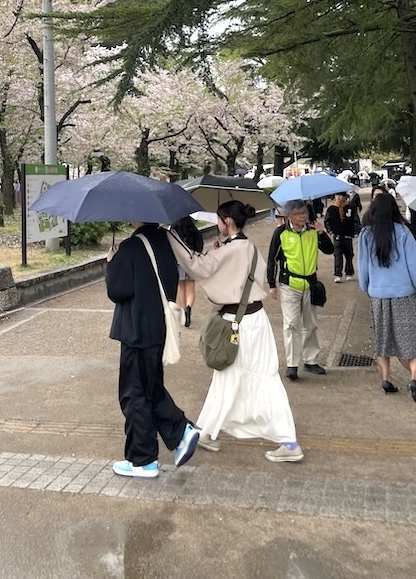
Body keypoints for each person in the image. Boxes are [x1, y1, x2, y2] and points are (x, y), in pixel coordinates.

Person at [169, 201, 304, 463]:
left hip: (237, 322)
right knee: (244, 376)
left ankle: (287, 441)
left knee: (233, 376)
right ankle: (210, 432)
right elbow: (255, 276)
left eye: (219, 220)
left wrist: (171, 236)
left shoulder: (231, 249)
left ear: (227, 221)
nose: (217, 225)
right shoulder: (248, 247)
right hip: (256, 319)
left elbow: (197, 266)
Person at [105, 221, 200, 478]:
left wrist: (111, 262)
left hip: (135, 332)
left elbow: (117, 290)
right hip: (158, 327)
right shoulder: (165, 242)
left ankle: (143, 459)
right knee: (151, 388)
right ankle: (180, 432)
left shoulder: (131, 247)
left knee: (133, 394)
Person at [357, 192, 416, 402]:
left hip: (379, 296)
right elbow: (415, 266)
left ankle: (386, 379)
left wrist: (367, 287)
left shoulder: (365, 235)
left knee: (383, 338)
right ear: (394, 209)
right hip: (404, 294)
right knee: (410, 337)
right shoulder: (403, 232)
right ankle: (414, 379)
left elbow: (362, 268)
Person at [266, 199, 334, 381]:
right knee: (291, 325)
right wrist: (271, 284)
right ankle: (292, 364)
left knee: (310, 324)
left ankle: (311, 360)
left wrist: (322, 234)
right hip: (289, 284)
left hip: (310, 284)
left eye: (304, 212)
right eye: (298, 213)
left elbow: (329, 250)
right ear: (289, 216)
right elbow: (272, 258)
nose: (303, 216)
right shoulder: (280, 233)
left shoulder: (313, 230)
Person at [170, 215, 204, 328]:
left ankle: (183, 312)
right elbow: (200, 245)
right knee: (190, 288)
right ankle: (189, 308)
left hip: (179, 261)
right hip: (192, 262)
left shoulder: (174, 229)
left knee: (181, 288)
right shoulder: (193, 229)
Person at [324, 191, 356, 283]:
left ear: (344, 197)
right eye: (336, 195)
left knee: (349, 255)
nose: (338, 197)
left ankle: (349, 273)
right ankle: (337, 274)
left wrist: (356, 232)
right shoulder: (331, 209)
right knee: (338, 255)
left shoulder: (349, 207)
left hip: (348, 235)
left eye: (340, 196)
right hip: (337, 236)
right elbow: (327, 221)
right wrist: (330, 232)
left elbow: (355, 220)